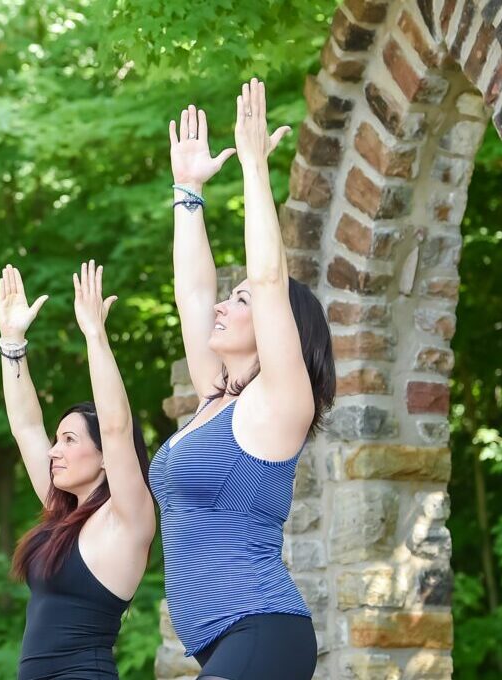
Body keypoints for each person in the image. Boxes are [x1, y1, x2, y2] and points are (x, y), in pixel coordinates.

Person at [150, 79, 337, 680]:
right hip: (221, 642)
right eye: (229, 300)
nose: (224, 307)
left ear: (282, 328)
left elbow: (266, 277)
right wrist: (187, 192)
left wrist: (255, 167)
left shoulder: (279, 404)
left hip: (262, 627)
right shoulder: (216, 396)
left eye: (241, 301)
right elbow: (192, 294)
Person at [0, 261, 154, 680]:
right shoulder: (61, 513)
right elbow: (27, 428)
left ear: (105, 456)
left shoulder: (127, 518)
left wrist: (94, 335)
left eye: (69, 440)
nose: (54, 451)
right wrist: (12, 342)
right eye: (58, 440)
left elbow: (117, 427)